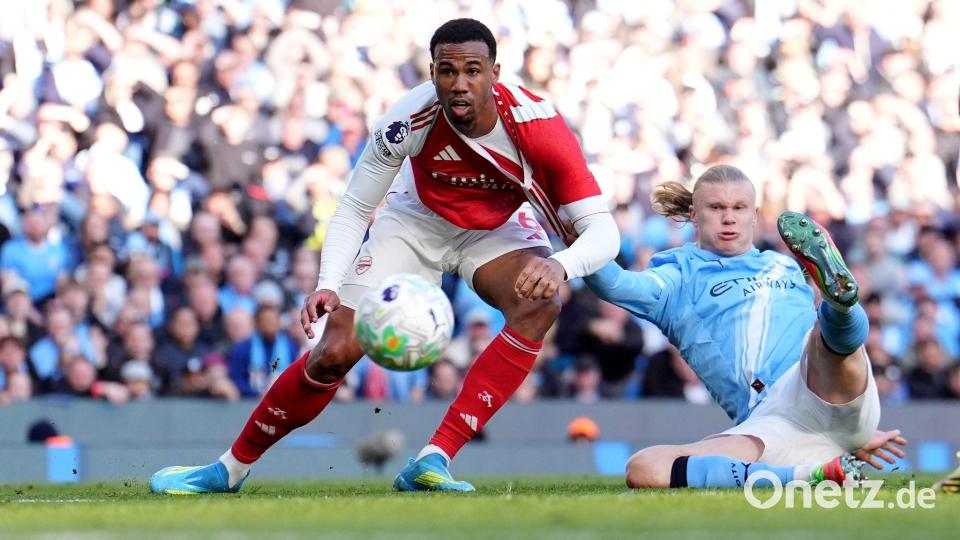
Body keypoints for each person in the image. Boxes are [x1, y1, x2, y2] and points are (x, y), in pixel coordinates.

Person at [150, 18, 618, 494]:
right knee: (332, 354)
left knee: (540, 304)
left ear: (495, 73)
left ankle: (433, 459)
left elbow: (604, 231)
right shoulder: (406, 120)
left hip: (495, 229)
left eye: (472, 71)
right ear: (431, 72)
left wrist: (561, 264)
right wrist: (328, 280)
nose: (459, 84)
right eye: (446, 71)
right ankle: (228, 469)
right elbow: (354, 205)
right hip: (414, 221)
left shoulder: (538, 125)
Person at [581, 164, 904, 489]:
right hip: (771, 424)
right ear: (694, 214)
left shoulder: (783, 265)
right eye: (716, 207)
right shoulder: (677, 274)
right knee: (645, 468)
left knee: (824, 335)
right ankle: (811, 474)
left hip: (824, 383)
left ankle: (841, 306)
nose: (729, 218)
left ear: (754, 214)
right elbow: (616, 285)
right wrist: (584, 242)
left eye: (739, 208)